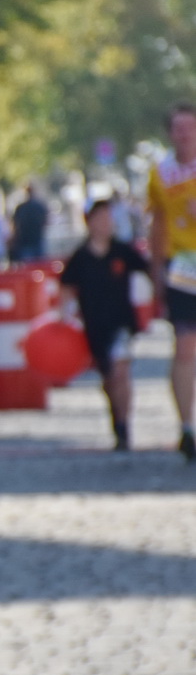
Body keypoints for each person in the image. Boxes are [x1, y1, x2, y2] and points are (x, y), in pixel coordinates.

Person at [63, 199, 152, 451]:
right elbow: (67, 287)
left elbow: (148, 270)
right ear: (89, 222)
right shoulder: (80, 257)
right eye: (100, 219)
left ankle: (125, 426)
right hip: (94, 327)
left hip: (121, 322)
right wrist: (63, 318)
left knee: (120, 371)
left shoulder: (122, 251)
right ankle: (117, 420)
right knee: (109, 378)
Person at [146, 102, 196, 462]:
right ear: (170, 133)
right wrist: (155, 274)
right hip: (181, 267)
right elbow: (157, 223)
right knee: (184, 346)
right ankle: (186, 427)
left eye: (190, 128)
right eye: (179, 128)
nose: (185, 135)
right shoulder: (160, 173)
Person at [10, 184, 48, 263]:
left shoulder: (21, 208)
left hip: (26, 241)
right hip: (34, 240)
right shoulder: (39, 206)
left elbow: (15, 224)